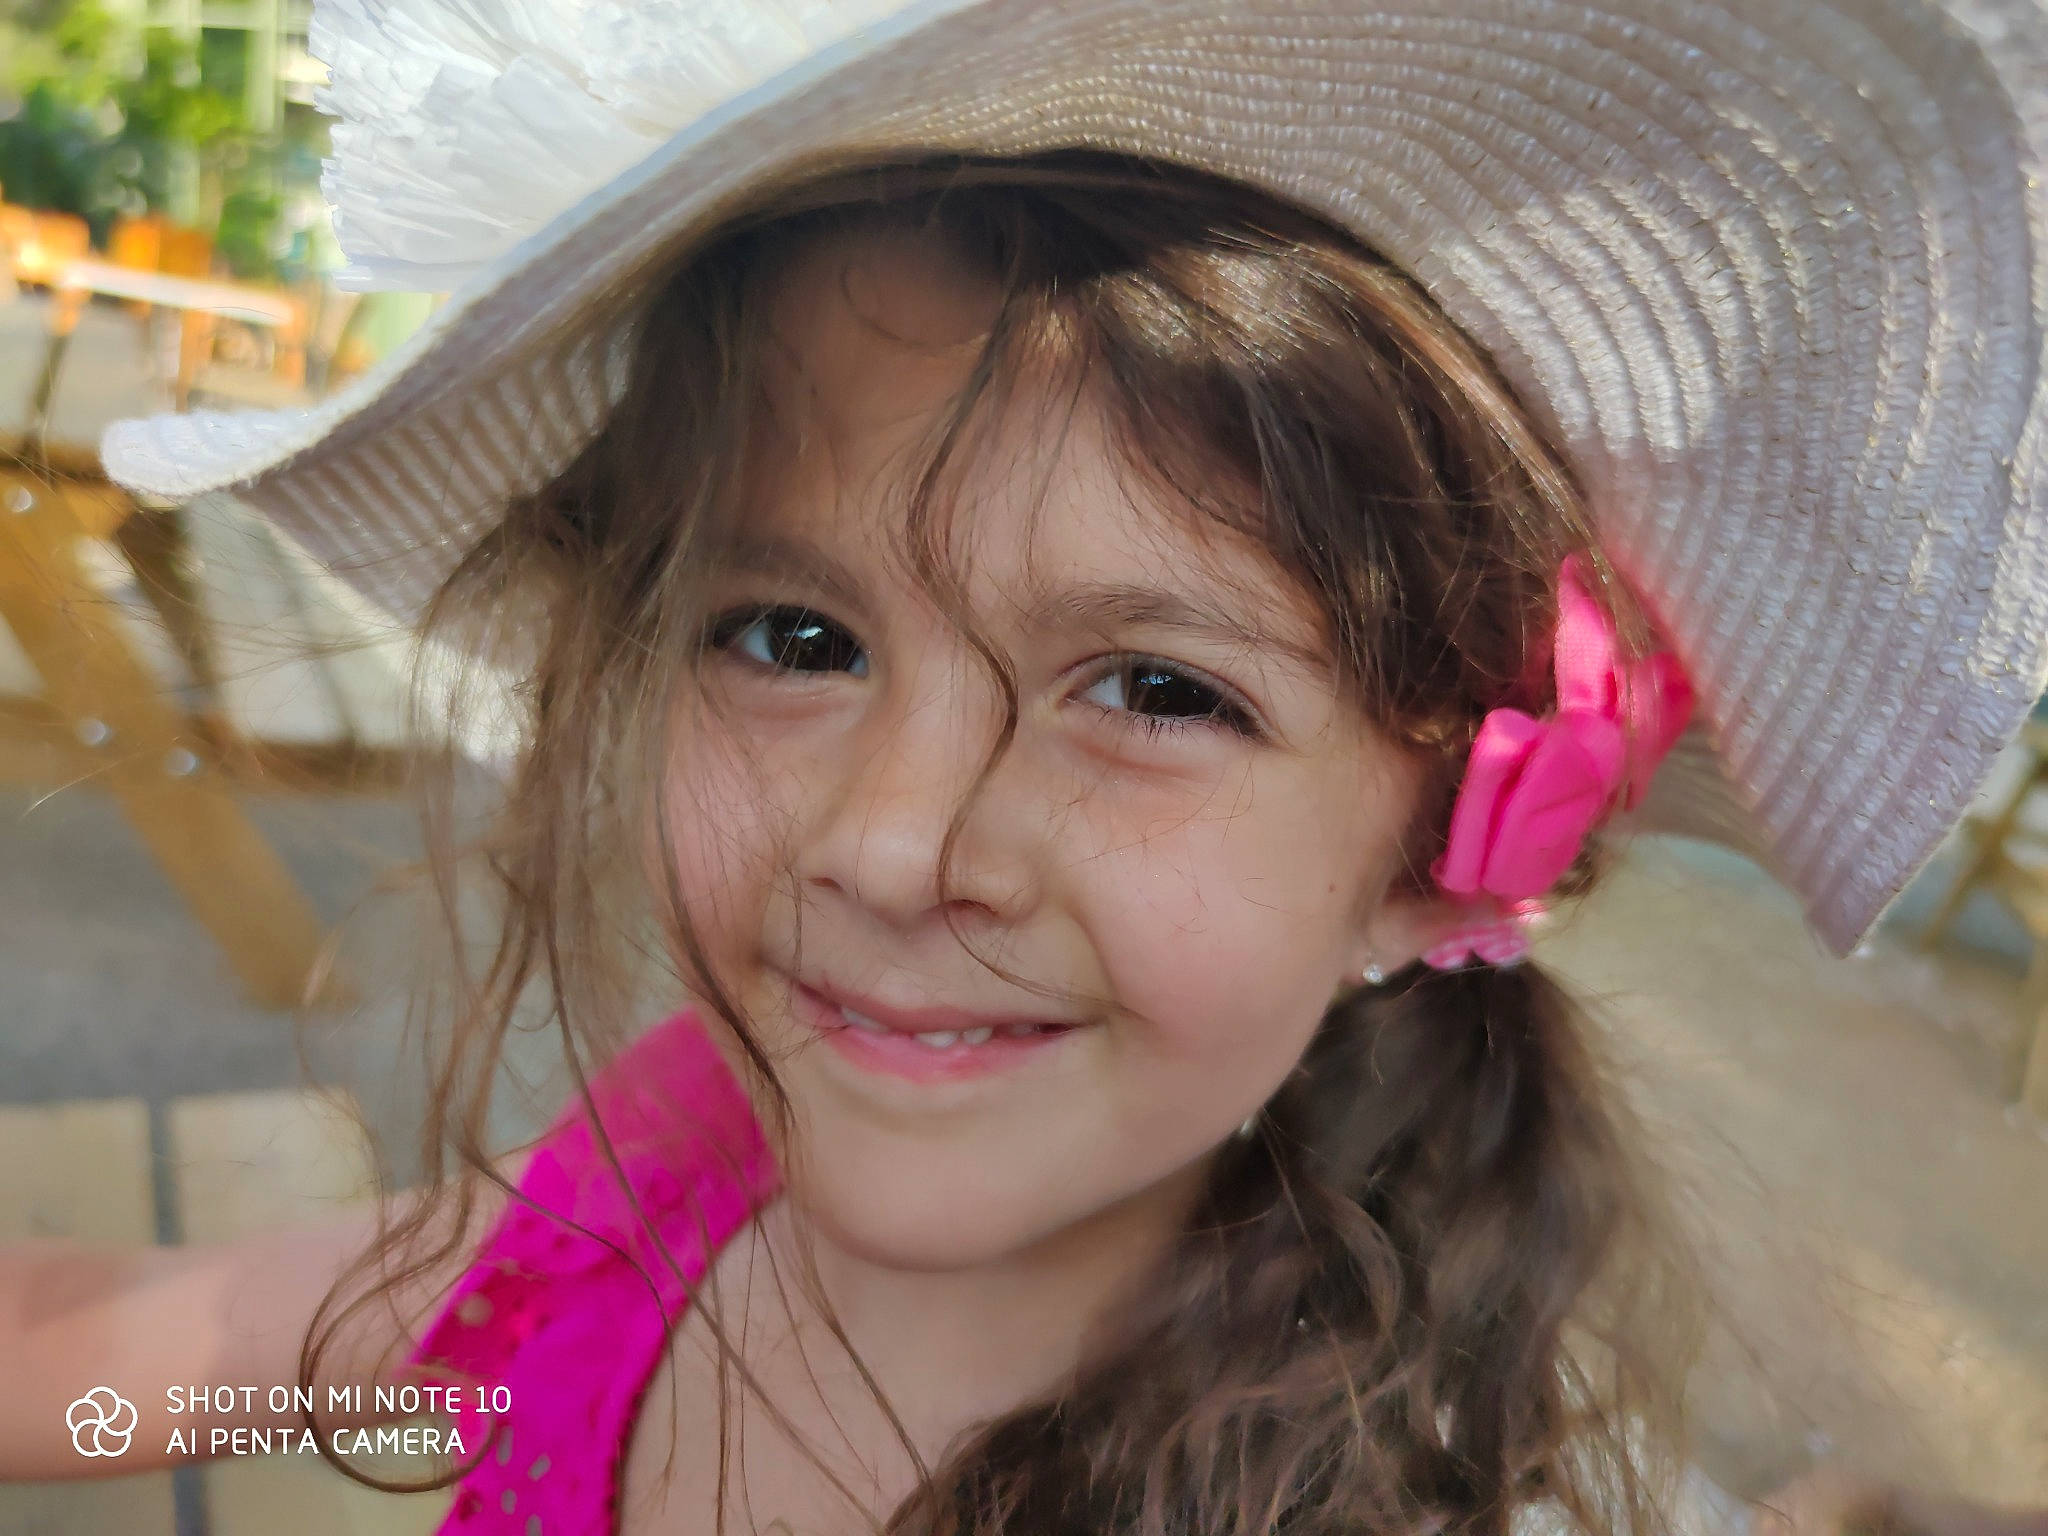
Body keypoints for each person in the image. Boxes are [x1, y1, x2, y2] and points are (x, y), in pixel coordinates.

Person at [6, 2, 2048, 1534]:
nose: (891, 843)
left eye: (1157, 692)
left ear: (1443, 848)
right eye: (791, 639)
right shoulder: (644, 1208)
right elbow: (140, 1372)